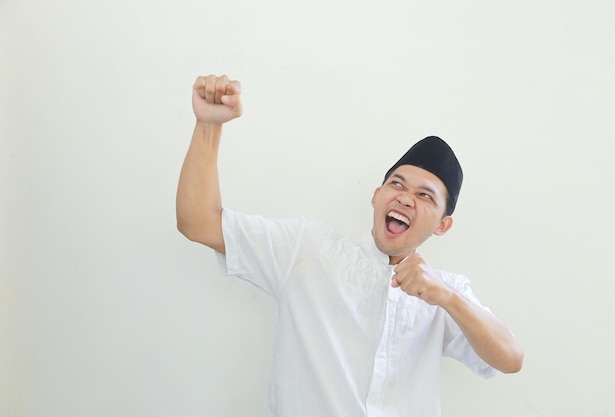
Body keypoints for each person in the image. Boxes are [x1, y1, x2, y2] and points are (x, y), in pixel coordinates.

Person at [176, 74, 524, 417]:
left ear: (442, 225)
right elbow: (199, 222)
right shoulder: (307, 250)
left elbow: (510, 358)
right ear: (377, 196)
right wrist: (208, 126)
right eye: (397, 185)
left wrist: (447, 298)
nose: (405, 199)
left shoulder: (447, 294)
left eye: (424, 196)